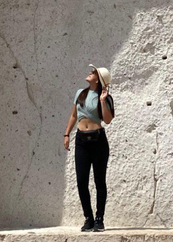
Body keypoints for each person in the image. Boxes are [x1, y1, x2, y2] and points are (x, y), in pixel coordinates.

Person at [64, 64, 115, 232]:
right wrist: (67, 134)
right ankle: (88, 217)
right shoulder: (80, 93)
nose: (90, 73)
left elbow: (107, 120)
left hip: (98, 140)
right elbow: (73, 115)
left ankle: (100, 219)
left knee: (99, 181)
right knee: (81, 181)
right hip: (81, 140)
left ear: (99, 79)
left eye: (93, 73)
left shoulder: (105, 97)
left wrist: (102, 101)